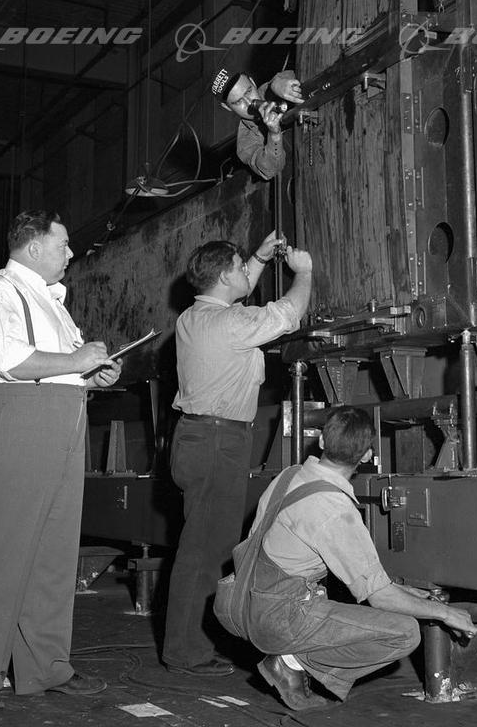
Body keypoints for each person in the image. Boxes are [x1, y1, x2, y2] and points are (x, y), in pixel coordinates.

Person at [0, 210, 122, 712]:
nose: (70, 253)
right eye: (62, 244)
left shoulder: (51, 301)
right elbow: (7, 359)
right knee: (1, 550)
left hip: (64, 418)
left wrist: (90, 375)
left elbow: (61, 367)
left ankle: (46, 668)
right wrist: (76, 361)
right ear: (32, 247)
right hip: (15, 418)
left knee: (53, 554)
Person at [244, 406, 477, 711]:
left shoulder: (289, 477)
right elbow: (379, 598)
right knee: (404, 634)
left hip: (248, 601)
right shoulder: (334, 510)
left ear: (322, 441)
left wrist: (402, 590)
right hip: (282, 617)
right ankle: (290, 661)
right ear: (367, 455)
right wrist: (445, 613)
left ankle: (291, 656)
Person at [162, 231, 313, 677]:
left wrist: (259, 258)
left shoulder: (193, 317)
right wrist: (303, 272)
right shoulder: (232, 322)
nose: (245, 271)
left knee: (202, 544)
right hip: (217, 442)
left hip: (198, 436)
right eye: (239, 266)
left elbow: (239, 289)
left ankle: (191, 643)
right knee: (205, 551)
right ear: (226, 277)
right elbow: (288, 314)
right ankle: (186, 652)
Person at [211, 68, 303, 179]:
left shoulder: (269, 89)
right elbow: (270, 170)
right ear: (227, 107)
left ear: (253, 82)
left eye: (248, 91)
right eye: (238, 102)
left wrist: (279, 82)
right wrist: (274, 135)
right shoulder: (245, 143)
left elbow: (292, 73)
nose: (249, 103)